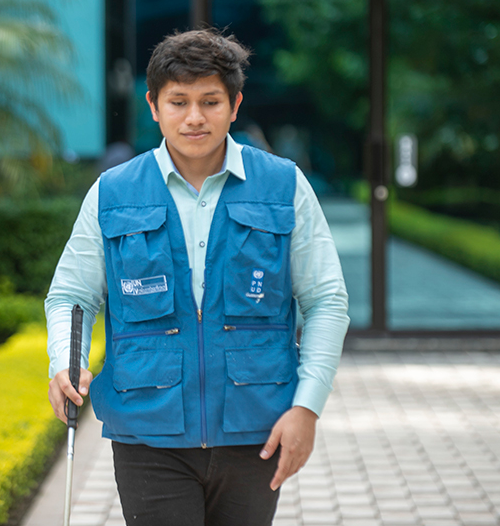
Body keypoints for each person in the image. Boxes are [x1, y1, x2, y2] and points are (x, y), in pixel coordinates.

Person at [46, 28, 349, 526]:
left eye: (210, 101)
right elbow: (72, 295)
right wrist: (67, 361)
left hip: (257, 429)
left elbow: (326, 302)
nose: (193, 117)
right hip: (148, 435)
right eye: (178, 101)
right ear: (153, 105)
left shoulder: (284, 185)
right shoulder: (112, 193)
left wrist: (307, 409)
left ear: (234, 105)